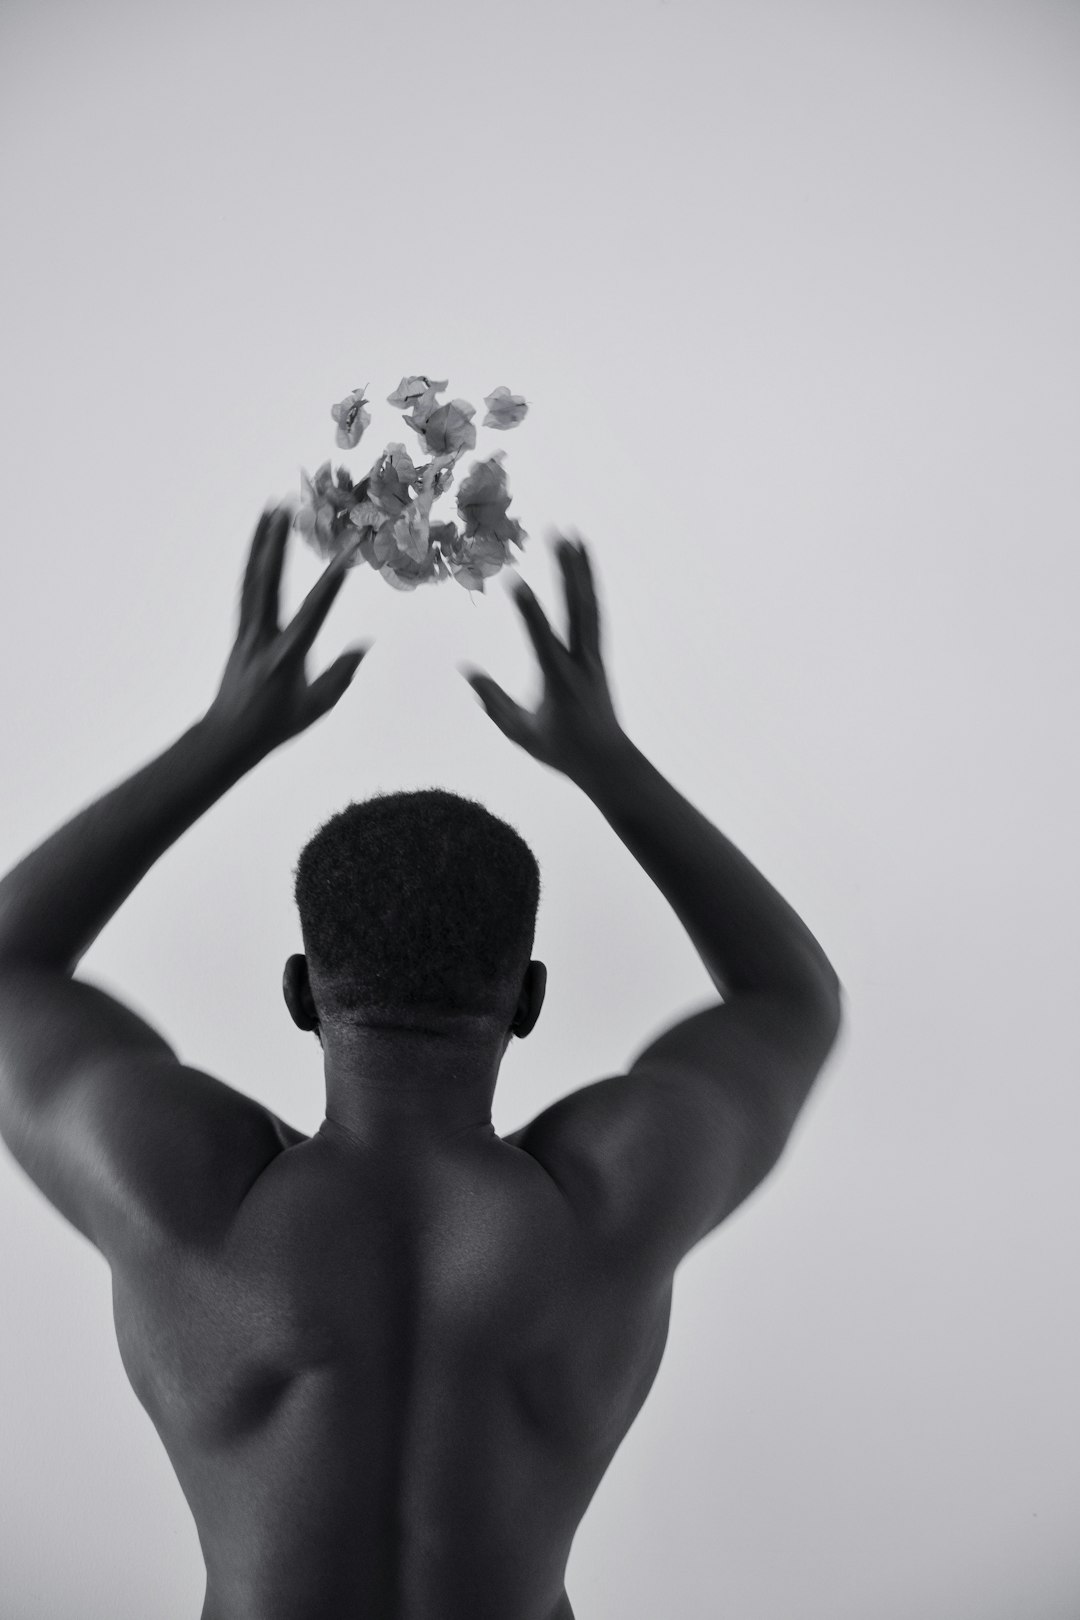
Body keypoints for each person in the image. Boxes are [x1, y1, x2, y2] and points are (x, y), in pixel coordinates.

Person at [0, 514, 843, 1620]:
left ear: (301, 993)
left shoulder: (181, 1190)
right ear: (528, 1000)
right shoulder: (616, 1191)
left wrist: (222, 737)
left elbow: (9, 967)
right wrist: (614, 769)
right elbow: (792, 998)